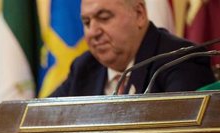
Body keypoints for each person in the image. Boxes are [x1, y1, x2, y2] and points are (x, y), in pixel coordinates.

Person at [50, 0, 216, 97]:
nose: (93, 32)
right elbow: (37, 118)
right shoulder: (84, 67)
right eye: (86, 22)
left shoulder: (180, 61)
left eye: (104, 18)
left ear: (139, 14)